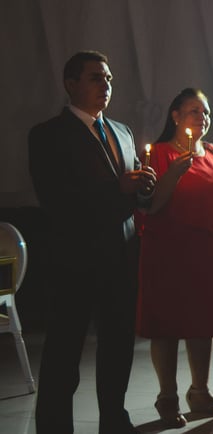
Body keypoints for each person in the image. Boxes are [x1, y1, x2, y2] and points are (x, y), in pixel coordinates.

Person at [28, 50, 157, 433]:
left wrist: (144, 189)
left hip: (120, 257)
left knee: (118, 349)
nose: (106, 85)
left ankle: (114, 421)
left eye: (110, 79)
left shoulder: (122, 131)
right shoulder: (48, 135)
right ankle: (54, 427)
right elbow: (56, 200)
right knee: (64, 356)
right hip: (75, 261)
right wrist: (115, 188)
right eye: (96, 78)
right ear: (71, 84)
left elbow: (133, 197)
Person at [136, 88, 213, 427]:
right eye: (194, 111)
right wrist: (174, 174)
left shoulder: (212, 151)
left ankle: (200, 391)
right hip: (171, 248)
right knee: (167, 323)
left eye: (206, 111)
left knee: (203, 322)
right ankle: (167, 395)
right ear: (176, 116)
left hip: (209, 251)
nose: (202, 117)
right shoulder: (161, 154)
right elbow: (151, 205)